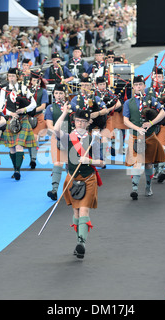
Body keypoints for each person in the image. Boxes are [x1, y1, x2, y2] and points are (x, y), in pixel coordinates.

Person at [52, 105, 104, 259]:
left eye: (83, 122)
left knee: (84, 210)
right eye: (78, 121)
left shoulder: (94, 139)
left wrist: (88, 160)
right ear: (74, 121)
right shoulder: (68, 137)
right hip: (73, 178)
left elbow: (102, 162)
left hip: (88, 178)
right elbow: (55, 130)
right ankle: (78, 240)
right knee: (75, 211)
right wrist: (64, 113)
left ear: (88, 123)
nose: (80, 124)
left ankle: (82, 243)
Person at [123, 75, 165, 200]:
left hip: (149, 136)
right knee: (136, 164)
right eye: (136, 85)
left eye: (140, 85)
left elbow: (163, 112)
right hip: (136, 137)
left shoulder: (151, 99)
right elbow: (125, 120)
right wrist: (137, 128)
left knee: (148, 164)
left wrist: (152, 123)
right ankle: (135, 189)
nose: (138, 87)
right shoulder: (128, 102)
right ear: (133, 87)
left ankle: (148, 187)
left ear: (144, 86)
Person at [0, 71, 37, 180]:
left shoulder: (24, 88)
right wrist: (11, 113)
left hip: (23, 119)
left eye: (13, 76)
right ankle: (15, 168)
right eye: (9, 76)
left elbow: (33, 104)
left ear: (17, 77)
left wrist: (24, 109)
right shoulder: (3, 90)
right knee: (11, 148)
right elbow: (1, 106)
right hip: (10, 120)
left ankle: (17, 170)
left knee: (19, 145)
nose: (11, 78)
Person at [44, 83, 71, 200]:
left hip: (71, 137)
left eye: (61, 93)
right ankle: (54, 190)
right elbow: (49, 125)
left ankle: (73, 187)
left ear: (65, 94)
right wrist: (58, 133)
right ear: (53, 94)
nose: (58, 95)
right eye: (56, 93)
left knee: (71, 163)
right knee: (57, 163)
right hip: (57, 136)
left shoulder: (72, 106)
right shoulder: (50, 108)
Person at [27, 70, 50, 168]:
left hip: (39, 117)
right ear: (31, 81)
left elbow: (43, 106)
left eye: (37, 80)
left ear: (40, 81)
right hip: (28, 117)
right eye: (33, 80)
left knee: (35, 137)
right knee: (28, 139)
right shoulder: (26, 90)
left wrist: (32, 110)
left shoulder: (43, 91)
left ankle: (33, 159)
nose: (35, 81)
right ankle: (31, 156)